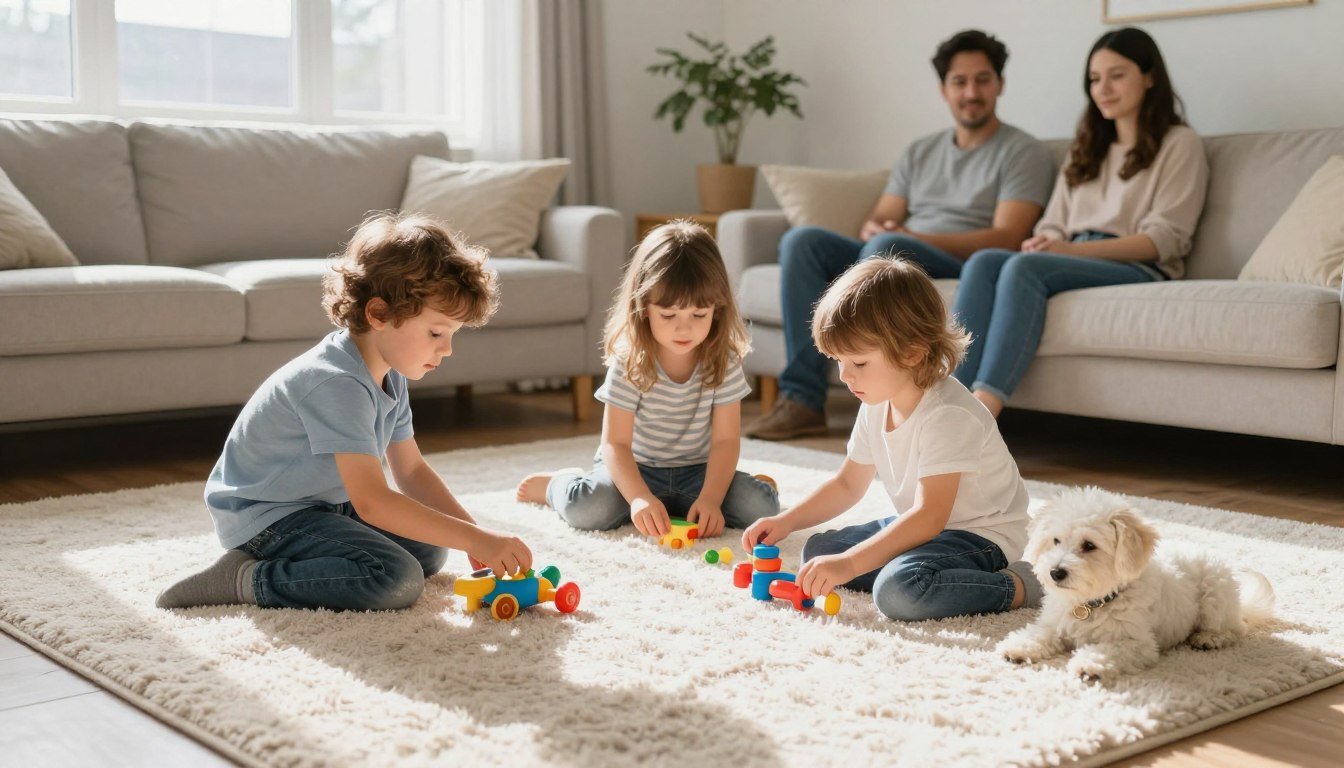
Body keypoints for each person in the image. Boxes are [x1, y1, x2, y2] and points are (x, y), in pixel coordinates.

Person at [157, 213, 533, 611]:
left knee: (430, 550)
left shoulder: (388, 373)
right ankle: (245, 578)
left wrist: (474, 535)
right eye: (436, 333)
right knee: (396, 579)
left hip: (321, 504)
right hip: (267, 518)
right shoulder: (335, 382)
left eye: (452, 336)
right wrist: (477, 541)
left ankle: (308, 558)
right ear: (379, 314)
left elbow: (412, 472)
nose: (447, 350)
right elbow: (372, 500)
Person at [746, 29, 1056, 441]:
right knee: (802, 243)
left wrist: (902, 236)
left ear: (999, 84)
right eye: (959, 82)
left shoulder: (1022, 151)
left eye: (982, 80)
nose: (971, 92)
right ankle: (802, 400)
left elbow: (1008, 235)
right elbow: (881, 217)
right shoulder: (920, 151)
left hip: (959, 257)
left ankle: (873, 388)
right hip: (898, 248)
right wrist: (880, 228)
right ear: (944, 89)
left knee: (884, 248)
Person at [741, 257, 1041, 622]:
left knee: (899, 592)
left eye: (860, 363)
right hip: (925, 528)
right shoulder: (876, 400)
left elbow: (930, 516)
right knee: (819, 551)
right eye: (838, 360)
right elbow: (848, 484)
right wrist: (788, 520)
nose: (845, 376)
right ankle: (925, 572)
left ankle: (1021, 586)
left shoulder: (948, 414)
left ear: (913, 353)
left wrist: (851, 563)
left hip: (981, 536)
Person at [952, 27, 1209, 418]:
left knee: (1023, 268)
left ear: (1150, 76)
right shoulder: (1086, 147)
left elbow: (1164, 240)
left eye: (1117, 75)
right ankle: (948, 401)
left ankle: (982, 412)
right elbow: (1053, 222)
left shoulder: (1180, 143)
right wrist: (1049, 241)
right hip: (1072, 256)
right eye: (1094, 79)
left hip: (1140, 266)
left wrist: (1068, 249)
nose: (1103, 88)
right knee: (986, 261)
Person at [517, 221, 779, 538]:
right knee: (588, 509)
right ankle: (557, 485)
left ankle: (759, 487)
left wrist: (710, 498)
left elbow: (725, 441)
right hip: (634, 469)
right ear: (644, 308)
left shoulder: (723, 360)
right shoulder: (631, 361)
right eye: (668, 315)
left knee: (760, 508)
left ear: (718, 309)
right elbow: (615, 444)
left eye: (699, 315)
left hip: (698, 472)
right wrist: (639, 498)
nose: (684, 329)